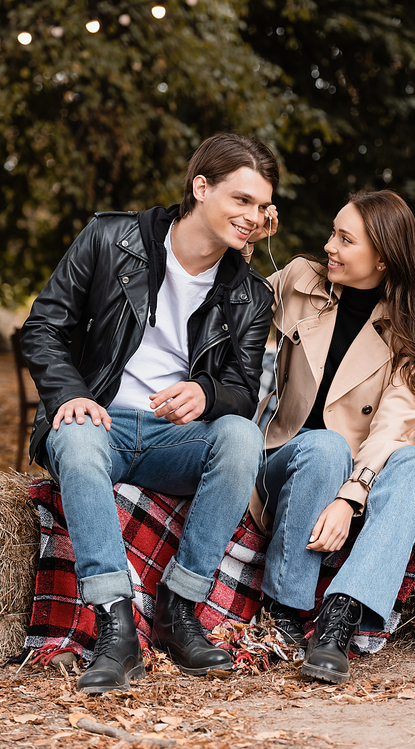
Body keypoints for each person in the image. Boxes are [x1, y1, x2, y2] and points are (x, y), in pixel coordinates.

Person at [20, 133, 280, 693]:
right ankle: (115, 627)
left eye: (261, 206)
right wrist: (70, 393)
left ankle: (179, 610)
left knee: (239, 436)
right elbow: (44, 327)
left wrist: (207, 395)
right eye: (240, 200)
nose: (251, 216)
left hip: (176, 443)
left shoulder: (250, 294)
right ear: (201, 187)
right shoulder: (111, 238)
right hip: (103, 424)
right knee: (77, 434)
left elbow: (242, 389)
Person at [249, 189, 415, 684]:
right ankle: (284, 611)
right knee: (325, 445)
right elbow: (230, 302)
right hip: (294, 455)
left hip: (365, 465)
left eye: (344, 239)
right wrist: (247, 244)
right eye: (332, 234)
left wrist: (350, 496)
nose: (328, 247)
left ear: (382, 256)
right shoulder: (300, 279)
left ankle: (340, 619)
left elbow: (394, 423)